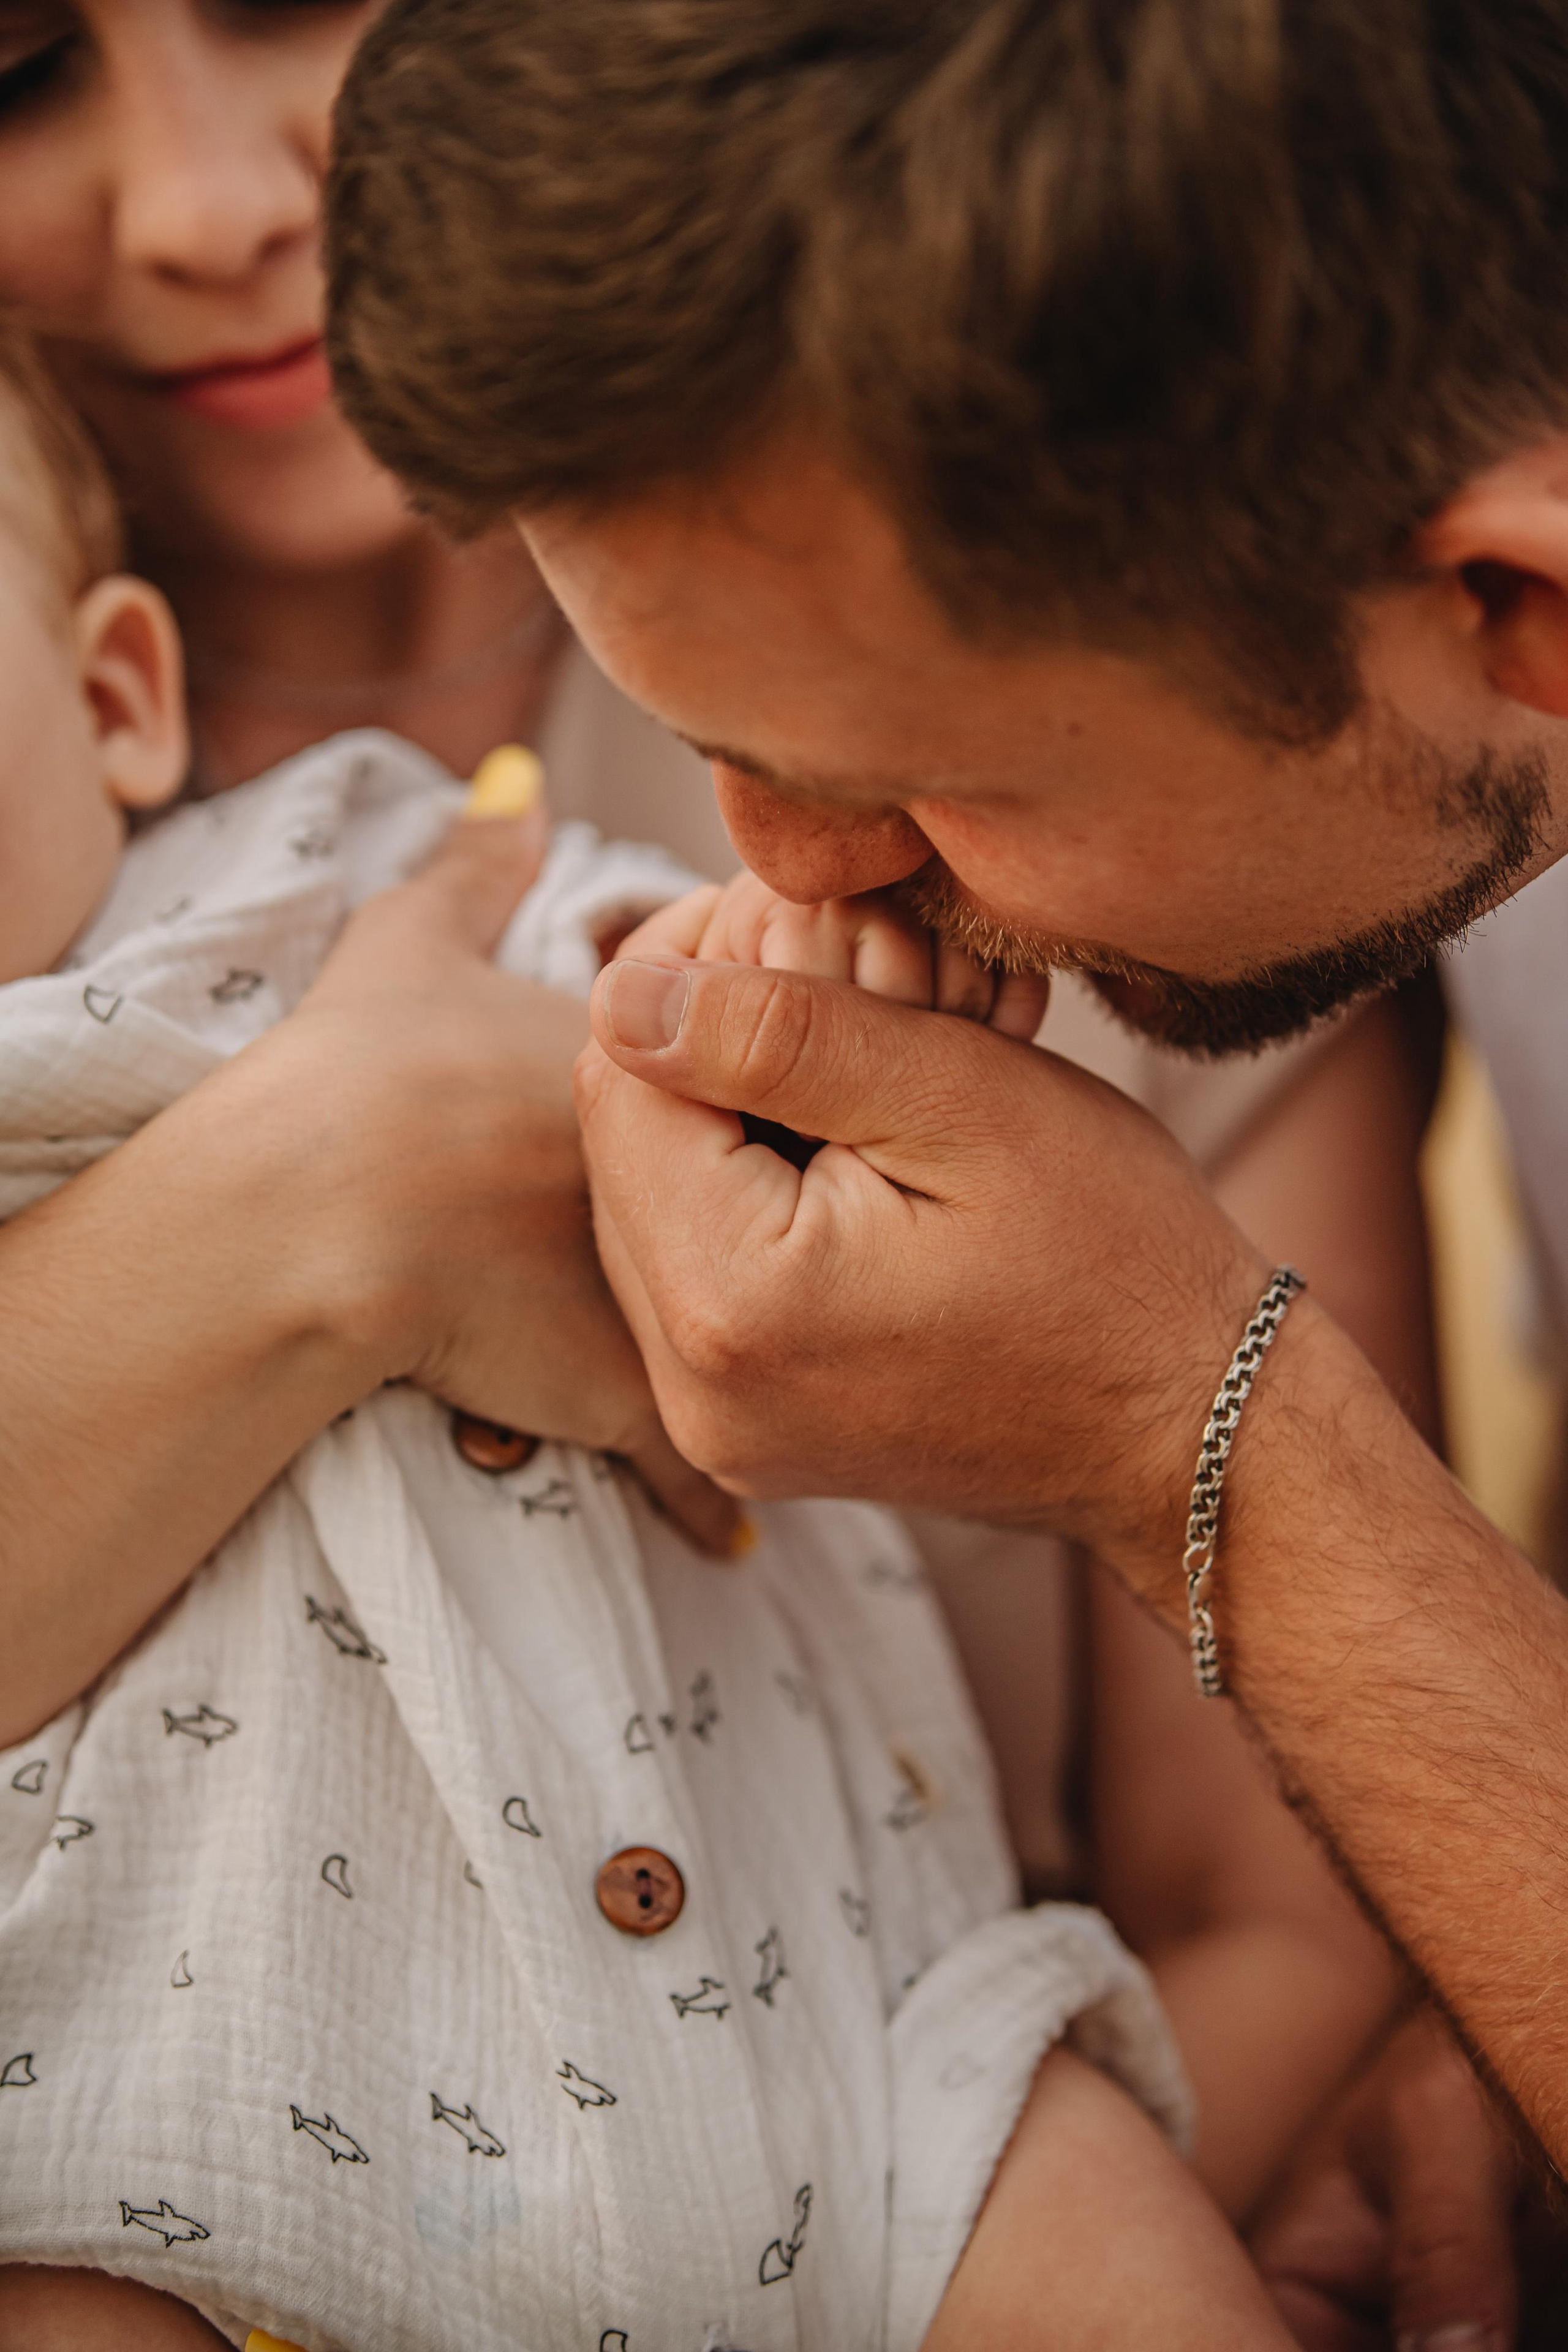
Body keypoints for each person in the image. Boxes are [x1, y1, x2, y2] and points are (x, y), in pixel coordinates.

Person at [0, 2, 1446, 2339]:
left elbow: (1274, 1911)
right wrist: (331, 1192)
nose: (210, 208)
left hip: (918, 2162)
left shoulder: (1147, 777)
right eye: (12, 80)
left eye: (290, 4)